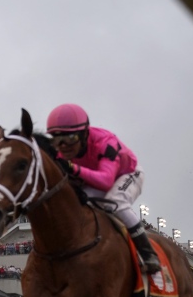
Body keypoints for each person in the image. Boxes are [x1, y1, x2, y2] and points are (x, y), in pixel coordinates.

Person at [46, 103, 161, 275]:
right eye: (56, 139)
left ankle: (148, 253)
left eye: (70, 139)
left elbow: (106, 181)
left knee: (115, 202)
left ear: (84, 134)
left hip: (127, 174)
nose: (63, 146)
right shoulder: (60, 152)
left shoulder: (105, 142)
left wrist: (73, 169)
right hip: (94, 178)